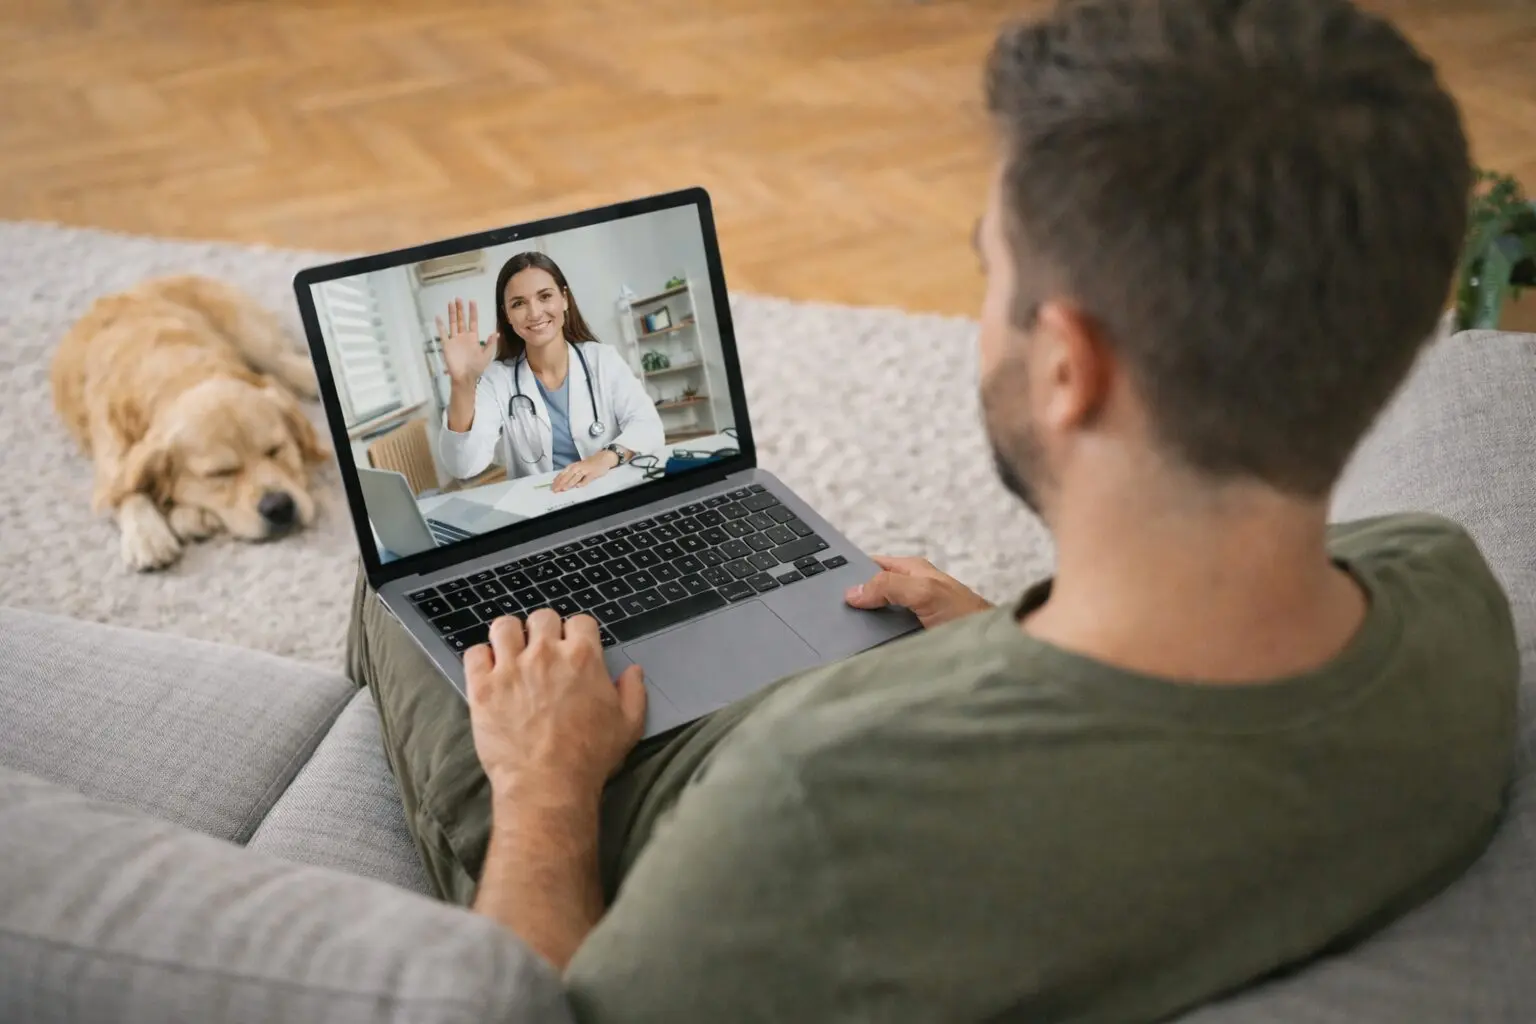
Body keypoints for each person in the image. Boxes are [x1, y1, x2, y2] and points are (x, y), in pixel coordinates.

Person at [347, 0, 1519, 1020]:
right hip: (895, 683)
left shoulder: (812, 808)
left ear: (1067, 369)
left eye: (990, 269)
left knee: (390, 586)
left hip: (666, 792)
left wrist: (547, 788)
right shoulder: (1449, 590)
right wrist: (1002, 634)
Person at [436, 251, 663, 493]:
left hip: (612, 492)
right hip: (542, 505)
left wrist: (604, 458)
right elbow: (463, 466)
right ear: (507, 315)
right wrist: (462, 385)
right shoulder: (497, 380)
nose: (534, 313)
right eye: (519, 303)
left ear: (564, 299)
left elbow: (649, 426)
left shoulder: (602, 359)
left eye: (544, 296)